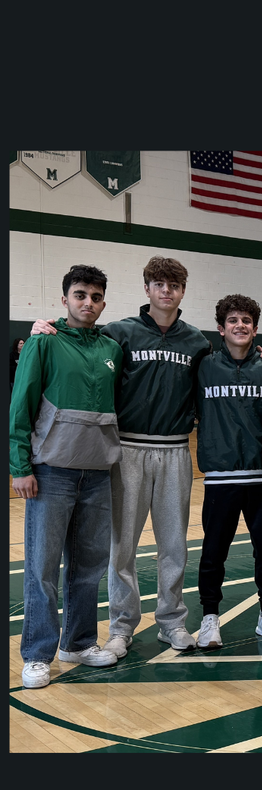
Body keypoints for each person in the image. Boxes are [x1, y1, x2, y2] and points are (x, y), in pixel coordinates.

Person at [29, 256, 216, 657]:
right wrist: (44, 326)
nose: (166, 291)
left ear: (183, 292)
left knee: (173, 545)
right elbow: (77, 337)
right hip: (126, 448)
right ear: (146, 289)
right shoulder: (118, 334)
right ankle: (121, 627)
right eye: (159, 284)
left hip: (174, 450)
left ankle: (172, 622)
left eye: (174, 285)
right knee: (122, 548)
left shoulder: (198, 342)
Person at [11, 265, 123, 689]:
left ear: (103, 303)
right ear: (64, 300)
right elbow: (20, 405)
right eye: (79, 295)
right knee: (41, 568)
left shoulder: (112, 347)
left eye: (95, 297)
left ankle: (77, 643)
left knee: (89, 566)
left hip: (97, 474)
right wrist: (20, 467)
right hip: (50, 473)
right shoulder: (44, 341)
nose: (87, 303)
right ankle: (38, 653)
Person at [194, 295, 262, 649]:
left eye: (247, 320)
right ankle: (209, 618)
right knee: (213, 551)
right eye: (233, 320)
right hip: (221, 478)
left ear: (255, 328)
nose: (240, 326)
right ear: (221, 327)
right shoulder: (203, 367)